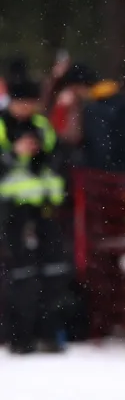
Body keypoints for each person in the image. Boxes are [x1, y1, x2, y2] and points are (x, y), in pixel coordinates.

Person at [0, 76, 70, 354]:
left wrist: (43, 158)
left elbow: (58, 159)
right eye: (22, 102)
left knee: (52, 271)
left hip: (43, 209)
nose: (27, 108)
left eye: (32, 103)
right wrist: (15, 155)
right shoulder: (3, 126)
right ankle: (19, 336)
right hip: (10, 210)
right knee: (20, 273)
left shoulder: (42, 126)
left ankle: (49, 332)